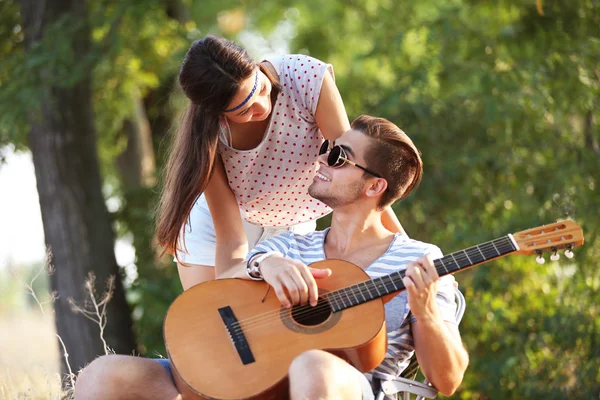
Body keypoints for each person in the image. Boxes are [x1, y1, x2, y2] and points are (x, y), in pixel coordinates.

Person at [74, 115, 468, 400]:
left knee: (312, 365)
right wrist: (263, 263)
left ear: (374, 186)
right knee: (102, 377)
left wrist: (428, 314)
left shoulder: (420, 260)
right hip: (255, 385)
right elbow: (225, 291)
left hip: (354, 389)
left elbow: (447, 380)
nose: (322, 160)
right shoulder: (293, 246)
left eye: (339, 158)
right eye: (327, 149)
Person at [154, 35, 405, 291]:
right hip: (226, 230)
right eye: (243, 111)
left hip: (295, 230)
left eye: (261, 89)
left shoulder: (305, 78)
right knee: (214, 322)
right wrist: (260, 264)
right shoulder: (208, 137)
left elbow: (355, 173)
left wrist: (408, 251)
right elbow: (231, 244)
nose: (262, 107)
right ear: (219, 116)